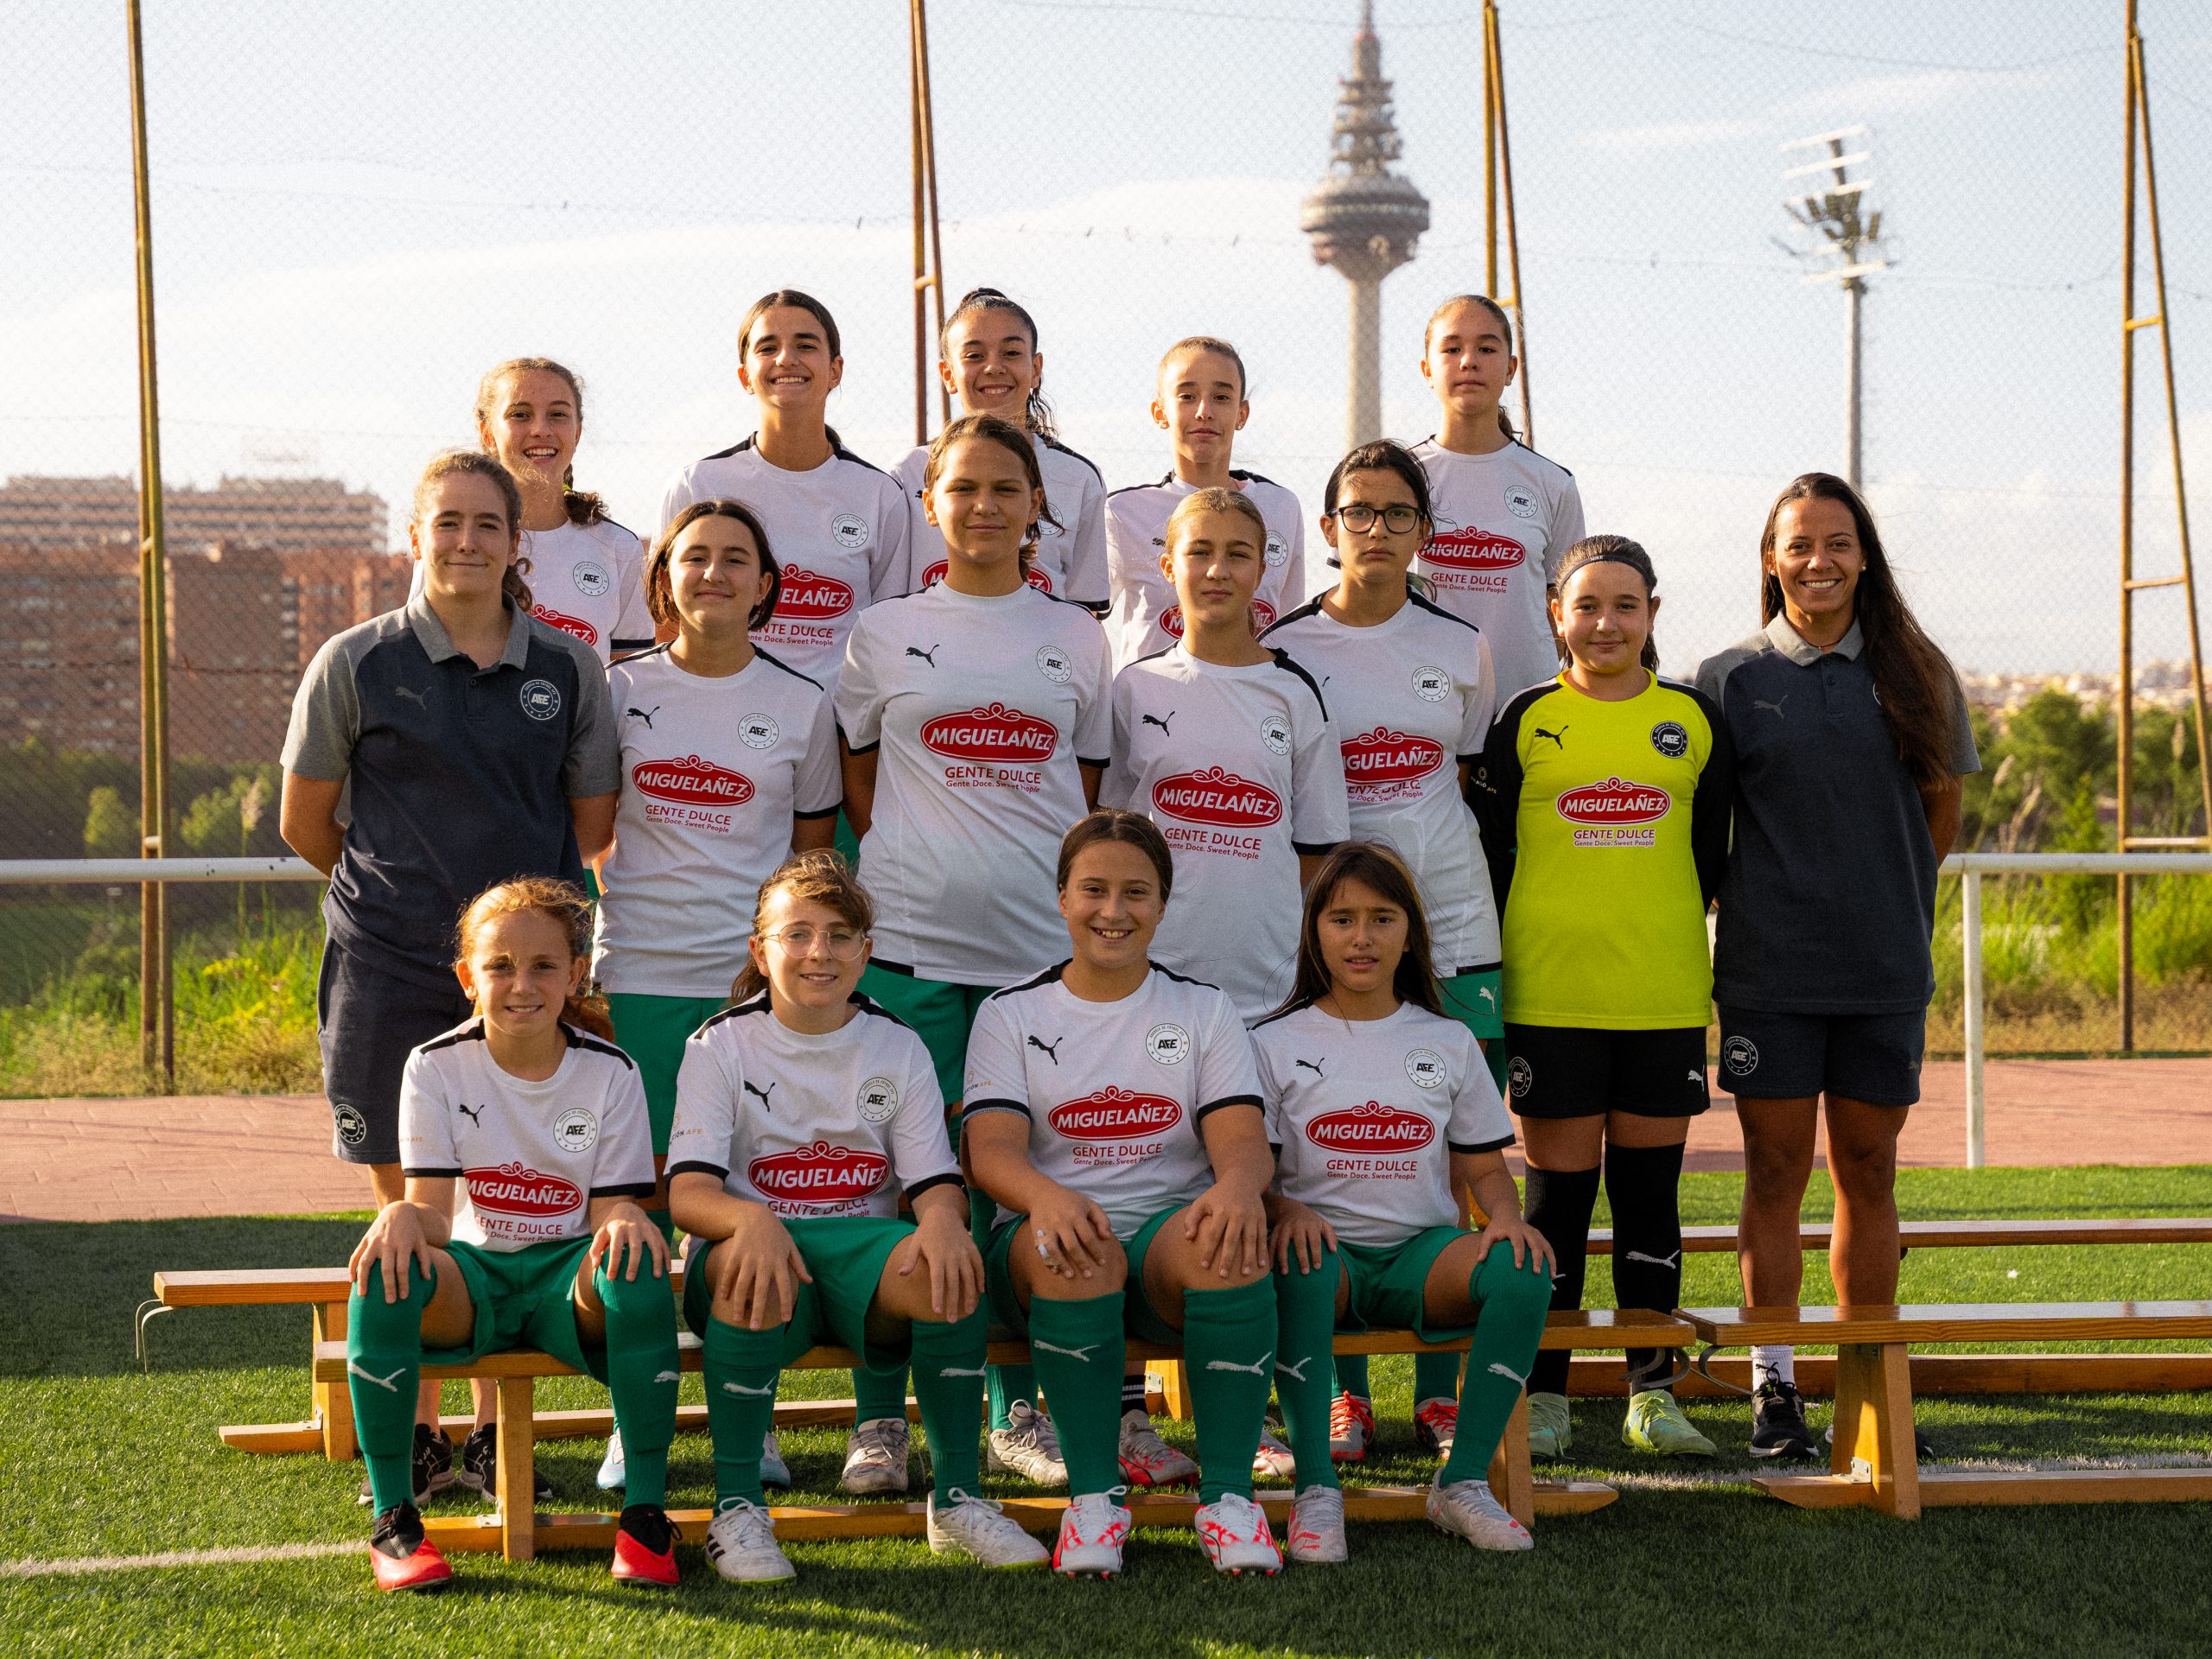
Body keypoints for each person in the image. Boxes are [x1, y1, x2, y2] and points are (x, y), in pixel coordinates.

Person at [282, 449, 618, 1502]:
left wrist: (513, 947)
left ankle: (490, 1437)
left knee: (512, 1205)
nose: (467, 541)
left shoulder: (568, 669)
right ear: (415, 536)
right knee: (410, 1210)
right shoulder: (354, 661)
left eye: (488, 523)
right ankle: (419, 1435)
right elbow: (305, 822)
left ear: (519, 543)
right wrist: (404, 907)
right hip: (386, 970)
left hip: (523, 983)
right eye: (448, 522)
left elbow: (591, 825)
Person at [836, 412, 1114, 1492]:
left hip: (1035, 957)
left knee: (1014, 1182)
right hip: (908, 947)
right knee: (891, 1178)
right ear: (930, 503)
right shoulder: (882, 631)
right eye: (963, 488)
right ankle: (879, 1418)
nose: (984, 506)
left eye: (1006, 488)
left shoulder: (1077, 636)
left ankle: (1013, 1408)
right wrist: (923, 856)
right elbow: (860, 778)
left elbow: (1083, 790)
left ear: (1037, 505)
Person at [1695, 473, 1980, 1462]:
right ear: (1770, 560)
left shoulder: (1917, 670)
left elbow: (1940, 809)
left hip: (1881, 970)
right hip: (1769, 975)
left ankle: (1869, 1384)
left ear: (1864, 557)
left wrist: (1881, 899)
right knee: (1774, 1172)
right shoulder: (1726, 678)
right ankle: (1773, 1388)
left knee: (1868, 1170)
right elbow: (1706, 831)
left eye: (1837, 543)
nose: (1818, 561)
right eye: (1798, 544)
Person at [666, 849, 1048, 1581]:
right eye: (797, 933)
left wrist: (944, 1221)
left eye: (839, 935)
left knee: (950, 1265)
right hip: (757, 1259)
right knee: (746, 1261)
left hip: (858, 1267)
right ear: (760, 951)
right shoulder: (719, 1045)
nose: (820, 952)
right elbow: (688, 1194)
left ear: (866, 953)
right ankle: (737, 1509)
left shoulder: (896, 1044)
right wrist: (750, 1221)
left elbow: (935, 1183)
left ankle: (957, 1499)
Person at [588, 496, 840, 1493]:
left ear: (766, 585)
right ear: (663, 580)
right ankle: (634, 1418)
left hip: (748, 990)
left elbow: (811, 858)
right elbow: (589, 829)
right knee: (642, 1205)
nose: (714, 574)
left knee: (745, 1199)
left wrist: (781, 967)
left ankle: (751, 1412)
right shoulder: (618, 691)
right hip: (641, 974)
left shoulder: (802, 702)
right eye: (694, 558)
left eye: (736, 559)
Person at [963, 810, 1284, 1577]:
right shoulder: (1010, 1012)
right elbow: (990, 1151)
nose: (1114, 910)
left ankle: (1230, 1500)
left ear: (1164, 904)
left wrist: (1241, 1189)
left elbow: (1242, 1142)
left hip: (1167, 1245)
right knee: (1080, 1246)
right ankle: (1094, 1502)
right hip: (1046, 1252)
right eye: (1094, 890)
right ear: (1062, 899)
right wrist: (1046, 1197)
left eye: (1136, 892)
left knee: (1232, 1239)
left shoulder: (1203, 1008)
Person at [1262, 439, 1501, 1465]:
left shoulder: (1462, 646)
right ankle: (1342, 1394)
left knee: (1444, 1149)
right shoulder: (1284, 649)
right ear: (1327, 529)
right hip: (1328, 931)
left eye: (1397, 512)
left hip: (1453, 924)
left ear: (1423, 531)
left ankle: (1443, 1392)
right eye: (1357, 511)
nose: (1377, 529)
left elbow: (1465, 774)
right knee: (1334, 1155)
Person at [1472, 535, 1732, 1462]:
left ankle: (1651, 1394)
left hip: (1662, 995)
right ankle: (1543, 1396)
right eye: (1587, 605)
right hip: (1550, 997)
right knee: (1556, 1207)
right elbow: (1491, 855)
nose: (1606, 623)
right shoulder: (1525, 718)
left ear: (1652, 614)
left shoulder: (1693, 720)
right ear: (1556, 614)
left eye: (1626, 605)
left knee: (1650, 1200)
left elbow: (1709, 860)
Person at [344, 878, 678, 1592]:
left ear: (576, 974)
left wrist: (627, 1218)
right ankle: (395, 1521)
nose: (522, 985)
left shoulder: (612, 1070)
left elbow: (610, 1213)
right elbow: (434, 1216)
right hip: (474, 1278)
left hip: (566, 1280)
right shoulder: (434, 1064)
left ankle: (646, 1518)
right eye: (499, 966)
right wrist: (401, 1214)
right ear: (468, 978)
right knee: (385, 1265)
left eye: (543, 966)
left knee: (638, 1261)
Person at [1255, 842, 1554, 1557]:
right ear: (1314, 933)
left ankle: (1464, 1481)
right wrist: (1285, 1210)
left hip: (1422, 1257)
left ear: (1410, 934)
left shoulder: (1447, 1040)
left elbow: (1484, 1170)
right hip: (1326, 1257)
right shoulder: (1272, 1042)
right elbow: (1254, 1174)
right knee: (1298, 1266)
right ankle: (1317, 1488)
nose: (1362, 938)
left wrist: (1507, 1218)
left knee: (1523, 1269)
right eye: (1342, 919)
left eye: (1382, 918)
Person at [1103, 488, 1347, 1024]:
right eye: (1199, 552)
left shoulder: (1295, 692)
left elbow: (1317, 848)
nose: (1218, 570)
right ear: (1169, 566)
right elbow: (1113, 836)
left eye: (1238, 554)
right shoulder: (1134, 689)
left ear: (1261, 571)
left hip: (1265, 985)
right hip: (1152, 976)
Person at [656, 289, 908, 697]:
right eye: (767, 347)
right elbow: (669, 622)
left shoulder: (880, 495)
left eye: (805, 345)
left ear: (835, 370)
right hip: (722, 710)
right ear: (745, 376)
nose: (786, 358)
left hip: (836, 722)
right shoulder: (697, 485)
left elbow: (889, 633)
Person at [408, 358, 654, 665]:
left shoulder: (618, 547)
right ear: (488, 434)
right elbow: (419, 657)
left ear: (577, 433)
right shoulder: (456, 544)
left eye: (558, 414)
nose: (541, 430)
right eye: (520, 415)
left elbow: (627, 677)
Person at [1410, 296, 1586, 700]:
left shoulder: (1552, 484)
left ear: (1510, 369)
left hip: (1525, 701)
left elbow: (1564, 608)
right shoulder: (1400, 478)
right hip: (1424, 699)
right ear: (1427, 370)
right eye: (1452, 348)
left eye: (1487, 349)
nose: (1469, 361)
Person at [898, 287, 1109, 610]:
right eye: (974, 356)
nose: (994, 367)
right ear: (948, 374)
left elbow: (1086, 610)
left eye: (1011, 353)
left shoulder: (1078, 477)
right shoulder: (907, 472)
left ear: (1035, 369)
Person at [1104, 336, 1307, 669]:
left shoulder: (1280, 506)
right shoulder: (1123, 512)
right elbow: (1084, 618)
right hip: (1157, 698)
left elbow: (1288, 631)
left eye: (1221, 397)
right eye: (1187, 396)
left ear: (1242, 413)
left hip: (1253, 697)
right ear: (1160, 412)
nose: (1204, 412)